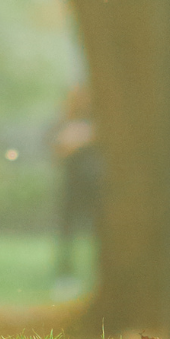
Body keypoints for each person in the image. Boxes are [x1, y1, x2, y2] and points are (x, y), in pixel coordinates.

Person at [51, 84, 102, 292]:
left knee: (97, 230)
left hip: (96, 184)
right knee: (68, 231)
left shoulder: (97, 123)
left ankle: (95, 274)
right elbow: (57, 147)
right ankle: (65, 275)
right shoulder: (65, 122)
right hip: (72, 185)